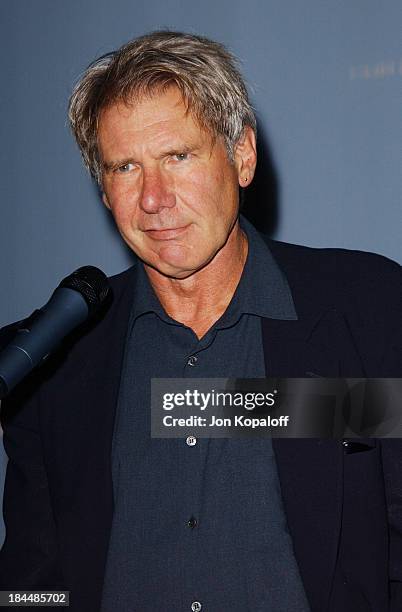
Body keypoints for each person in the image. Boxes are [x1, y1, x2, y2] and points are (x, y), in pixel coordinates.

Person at [0, 30, 401, 612]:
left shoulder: (368, 312)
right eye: (124, 167)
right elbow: (30, 586)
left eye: (177, 157)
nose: (153, 198)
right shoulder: (57, 359)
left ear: (242, 156)